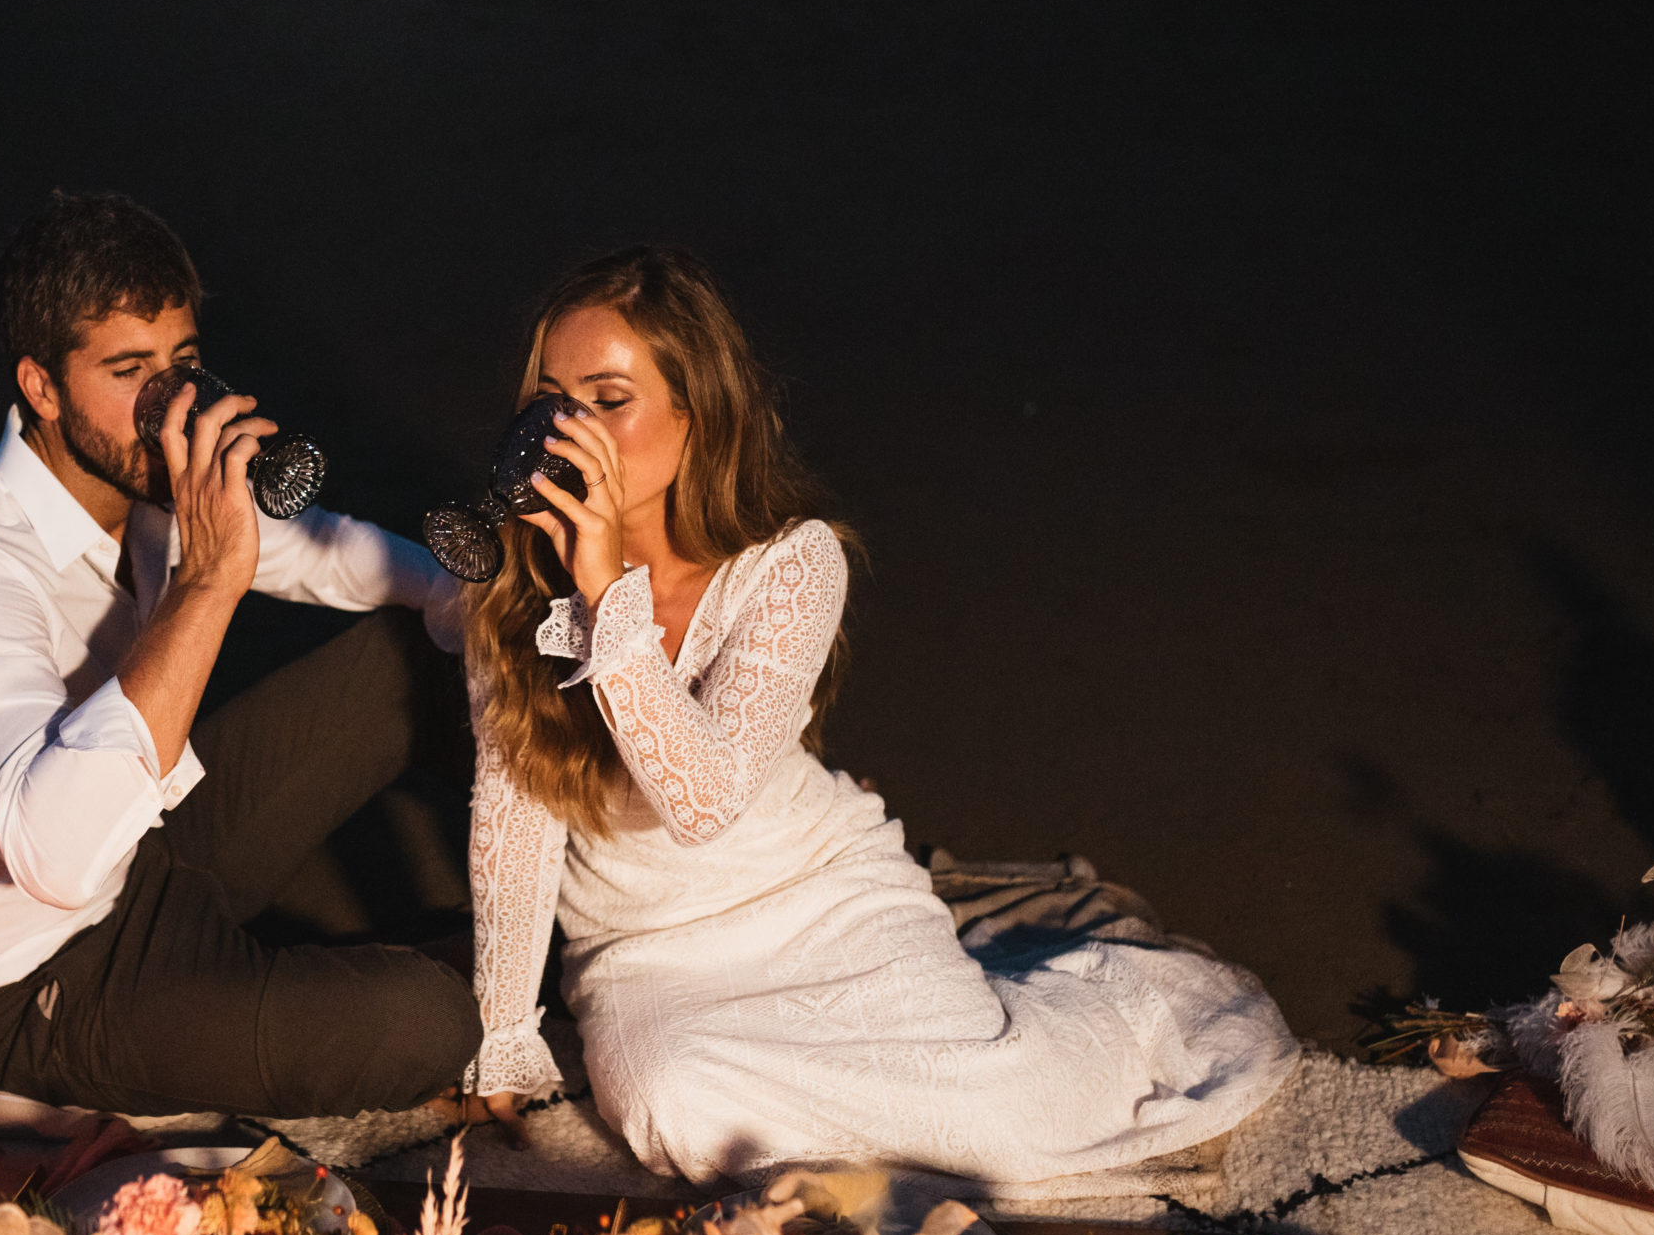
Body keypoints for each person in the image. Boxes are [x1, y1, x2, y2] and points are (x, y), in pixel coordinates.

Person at [462, 245, 1298, 1184]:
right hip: (646, 952)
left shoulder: (792, 565)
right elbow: (513, 822)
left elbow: (700, 804)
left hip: (817, 895)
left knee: (1010, 1114)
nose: (569, 430)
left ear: (698, 417)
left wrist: (607, 584)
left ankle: (1091, 1012)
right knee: (678, 1108)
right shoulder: (516, 582)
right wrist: (504, 1029)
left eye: (608, 400)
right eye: (550, 398)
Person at [0, 191, 481, 1121]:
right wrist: (209, 583)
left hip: (145, 852)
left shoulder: (140, 481)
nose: (171, 404)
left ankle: (603, 904)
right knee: (431, 1021)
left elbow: (323, 552)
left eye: (182, 364)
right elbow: (56, 857)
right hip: (32, 984)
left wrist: (471, 599)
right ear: (41, 387)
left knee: (424, 644)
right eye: (129, 371)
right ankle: (414, 979)